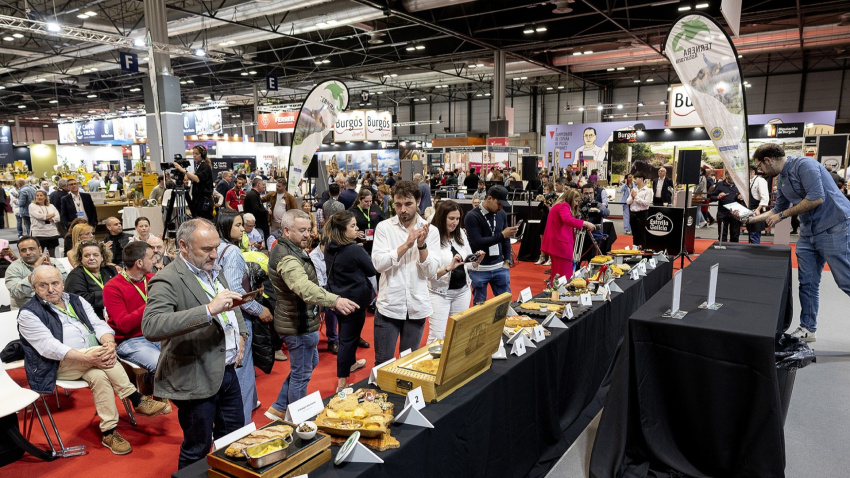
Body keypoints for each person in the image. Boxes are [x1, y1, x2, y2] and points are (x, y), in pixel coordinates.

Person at [18, 265, 167, 455]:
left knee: (99, 376)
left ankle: (109, 432)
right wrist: (89, 356)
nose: (50, 289)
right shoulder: (28, 313)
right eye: (43, 285)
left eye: (55, 283)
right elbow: (49, 347)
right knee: (99, 353)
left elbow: (98, 324)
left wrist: (109, 343)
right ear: (34, 288)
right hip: (55, 365)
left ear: (62, 283)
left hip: (91, 361)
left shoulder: (76, 300)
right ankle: (136, 398)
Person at [142, 219, 248, 469]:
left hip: (227, 370)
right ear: (184, 246)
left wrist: (241, 334)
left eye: (216, 247)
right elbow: (153, 326)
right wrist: (208, 310)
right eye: (206, 249)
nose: (214, 254)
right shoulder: (166, 279)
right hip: (194, 376)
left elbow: (232, 303)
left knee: (233, 439)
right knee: (198, 448)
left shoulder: (214, 268)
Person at [736, 144, 850, 342]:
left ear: (768, 160)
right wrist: (749, 219)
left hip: (835, 226)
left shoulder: (805, 165)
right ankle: (808, 329)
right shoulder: (781, 178)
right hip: (808, 233)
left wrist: (783, 215)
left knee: (845, 280)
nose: (760, 171)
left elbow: (816, 198)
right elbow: (778, 208)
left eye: (760, 166)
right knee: (807, 283)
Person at [264, 210, 358, 420]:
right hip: (297, 324)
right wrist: (334, 300)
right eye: (302, 230)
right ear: (287, 231)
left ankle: (279, 406)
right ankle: (297, 420)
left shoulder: (290, 248)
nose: (308, 235)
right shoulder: (287, 257)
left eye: (309, 229)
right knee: (302, 374)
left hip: (298, 321)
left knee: (308, 363)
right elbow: (303, 287)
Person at [371, 180, 440, 364]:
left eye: (408, 204)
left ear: (418, 201)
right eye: (398, 204)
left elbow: (432, 271)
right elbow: (378, 264)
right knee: (383, 363)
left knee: (408, 362)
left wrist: (421, 245)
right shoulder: (384, 228)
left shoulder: (431, 231)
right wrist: (406, 245)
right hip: (389, 307)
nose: (403, 209)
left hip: (417, 307)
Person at [215, 211, 272, 423]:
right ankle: (242, 424)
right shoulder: (231, 252)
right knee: (243, 369)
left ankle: (247, 407)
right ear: (225, 226)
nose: (242, 229)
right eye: (237, 225)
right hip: (238, 317)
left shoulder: (217, 248)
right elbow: (235, 290)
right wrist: (259, 309)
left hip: (222, 316)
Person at [324, 211, 378, 391]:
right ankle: (342, 381)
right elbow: (371, 270)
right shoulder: (355, 249)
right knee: (347, 339)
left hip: (338, 299)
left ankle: (351, 363)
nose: (357, 229)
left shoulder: (330, 246)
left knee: (346, 336)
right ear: (342, 230)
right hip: (354, 302)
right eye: (353, 226)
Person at [103, 240, 162, 382]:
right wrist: (150, 304)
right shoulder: (112, 287)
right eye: (151, 257)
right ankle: (156, 396)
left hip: (159, 333)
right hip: (131, 340)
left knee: (188, 356)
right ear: (139, 263)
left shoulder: (153, 279)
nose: (155, 261)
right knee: (161, 364)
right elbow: (124, 325)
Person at [427, 201, 484, 342]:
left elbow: (468, 264)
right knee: (437, 336)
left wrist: (477, 260)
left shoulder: (460, 235)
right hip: (439, 294)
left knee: (460, 333)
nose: (455, 222)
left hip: (462, 291)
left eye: (457, 219)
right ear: (441, 218)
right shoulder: (431, 238)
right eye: (451, 218)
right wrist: (448, 268)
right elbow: (429, 274)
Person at [464, 185, 517, 305]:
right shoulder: (472, 216)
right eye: (498, 203)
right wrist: (502, 235)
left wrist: (507, 260)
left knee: (505, 305)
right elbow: (477, 242)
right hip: (479, 269)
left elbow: (506, 239)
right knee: (479, 307)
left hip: (500, 267)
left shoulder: (501, 213)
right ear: (489, 198)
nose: (501, 207)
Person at [542, 190, 597, 283]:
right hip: (561, 245)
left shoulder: (558, 205)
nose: (576, 204)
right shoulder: (564, 205)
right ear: (570, 198)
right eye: (575, 201)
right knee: (564, 276)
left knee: (556, 276)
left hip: (555, 244)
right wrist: (585, 223)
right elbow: (567, 220)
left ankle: (555, 293)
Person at [6, 236, 69, 309]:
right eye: (23, 250)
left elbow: (67, 284)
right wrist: (35, 271)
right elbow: (16, 293)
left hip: (54, 307)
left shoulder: (53, 262)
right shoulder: (13, 268)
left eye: (31, 249)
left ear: (40, 249)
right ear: (19, 253)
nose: (28, 252)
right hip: (27, 310)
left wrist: (53, 271)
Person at [64, 240, 118, 320]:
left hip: (115, 312)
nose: (91, 258)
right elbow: (80, 300)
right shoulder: (75, 276)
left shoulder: (110, 270)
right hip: (91, 317)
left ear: (102, 257)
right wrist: (111, 295)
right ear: (81, 258)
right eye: (87, 256)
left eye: (96, 255)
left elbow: (122, 290)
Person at [309, 238, 338, 355]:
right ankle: (333, 340)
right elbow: (320, 285)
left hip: (333, 286)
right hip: (317, 291)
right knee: (332, 306)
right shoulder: (313, 257)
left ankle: (351, 338)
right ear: (323, 245)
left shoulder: (333, 253)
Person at [173, 145, 214, 221]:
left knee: (204, 222)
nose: (194, 156)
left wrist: (183, 170)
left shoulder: (205, 166)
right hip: (197, 199)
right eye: (193, 153)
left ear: (202, 155)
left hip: (203, 200)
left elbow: (198, 179)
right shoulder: (198, 166)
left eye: (197, 154)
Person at [709, 171, 743, 243]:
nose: (734, 178)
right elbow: (711, 197)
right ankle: (722, 251)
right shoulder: (720, 184)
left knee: (735, 236)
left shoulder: (739, 185)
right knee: (722, 236)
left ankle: (733, 251)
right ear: (727, 175)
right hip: (723, 213)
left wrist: (741, 197)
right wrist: (718, 197)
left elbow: (747, 199)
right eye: (732, 175)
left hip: (736, 214)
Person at [350, 188, 384, 256]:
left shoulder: (376, 208)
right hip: (360, 243)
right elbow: (347, 228)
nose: (369, 204)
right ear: (360, 199)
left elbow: (383, 222)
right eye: (366, 201)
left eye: (370, 201)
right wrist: (355, 233)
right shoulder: (352, 211)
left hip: (375, 242)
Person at [29, 189, 61, 257]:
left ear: (45, 197)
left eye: (41, 195)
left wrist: (48, 218)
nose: (39, 197)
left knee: (52, 255)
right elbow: (38, 216)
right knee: (39, 255)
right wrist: (51, 215)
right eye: (37, 195)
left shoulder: (51, 206)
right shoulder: (32, 206)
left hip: (52, 232)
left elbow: (58, 217)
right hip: (39, 233)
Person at [626, 172, 653, 249]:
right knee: (634, 234)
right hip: (632, 213)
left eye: (636, 179)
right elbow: (628, 202)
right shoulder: (634, 189)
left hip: (642, 214)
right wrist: (632, 197)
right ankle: (635, 250)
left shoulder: (648, 191)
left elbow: (646, 203)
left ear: (641, 179)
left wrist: (636, 197)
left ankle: (643, 251)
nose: (634, 180)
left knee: (642, 234)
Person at [747, 165, 771, 244]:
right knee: (750, 232)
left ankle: (755, 250)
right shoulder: (748, 181)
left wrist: (758, 209)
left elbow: (765, 197)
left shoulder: (760, 180)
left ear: (753, 171)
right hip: (749, 210)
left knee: (755, 233)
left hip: (757, 210)